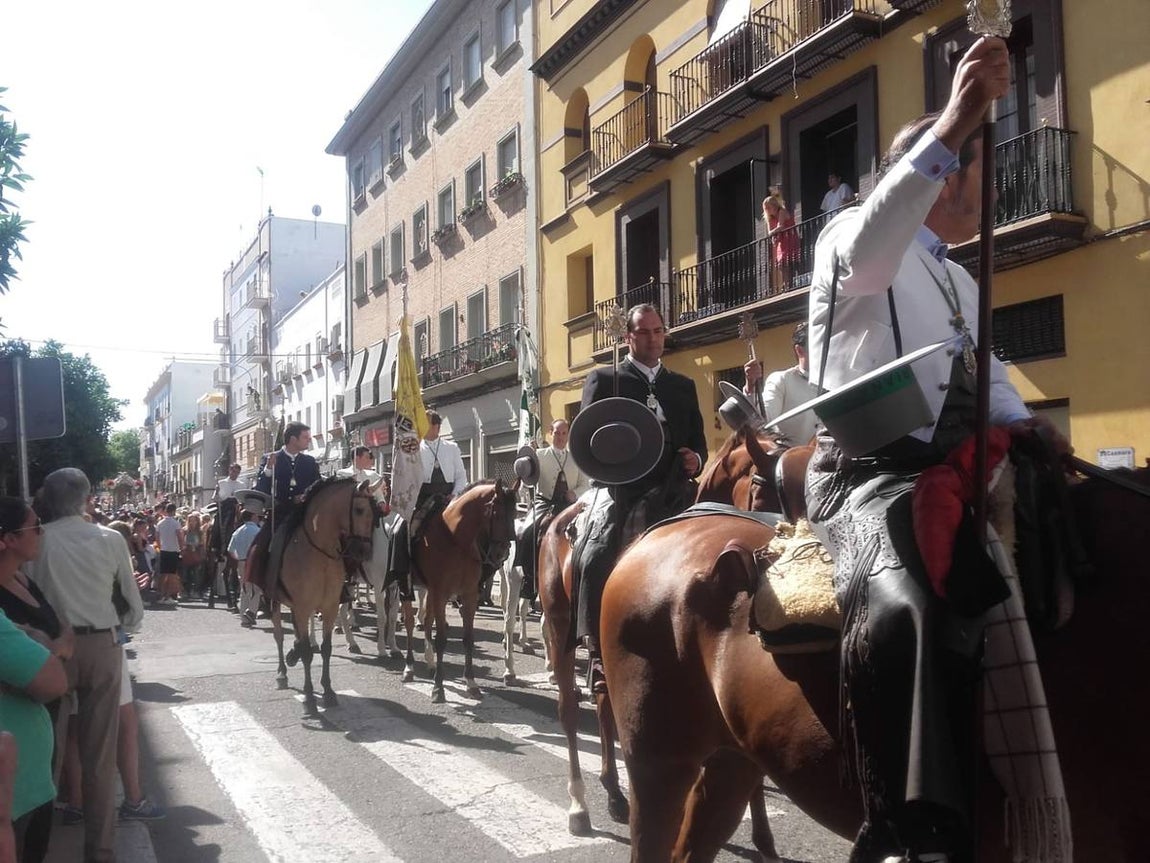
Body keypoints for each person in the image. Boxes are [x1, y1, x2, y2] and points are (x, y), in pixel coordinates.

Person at [804, 37, 1071, 863]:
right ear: (941, 176)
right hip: (868, 472)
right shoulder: (851, 237)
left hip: (959, 462)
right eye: (977, 166)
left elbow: (986, 378)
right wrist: (956, 120)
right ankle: (909, 832)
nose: (989, 187)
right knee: (911, 604)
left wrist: (1034, 428)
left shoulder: (961, 279)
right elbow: (881, 236)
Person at [576, 303, 707, 691]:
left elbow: (698, 441)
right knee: (595, 550)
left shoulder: (683, 386)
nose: (653, 339)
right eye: (644, 332)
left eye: (658, 331)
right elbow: (586, 444)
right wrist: (613, 457)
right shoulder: (605, 380)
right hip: (621, 486)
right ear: (628, 337)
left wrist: (695, 459)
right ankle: (597, 650)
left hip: (674, 487)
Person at [23, 468, 144, 863]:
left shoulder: (38, 542)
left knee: (47, 754)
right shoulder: (109, 539)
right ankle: (100, 850)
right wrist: (118, 629)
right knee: (100, 754)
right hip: (101, 644)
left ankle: (34, 846)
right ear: (87, 498)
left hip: (49, 648)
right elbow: (133, 604)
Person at [0, 499, 70, 863]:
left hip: (34, 760)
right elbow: (52, 678)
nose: (41, 532)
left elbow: (62, 630)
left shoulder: (23, 578)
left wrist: (44, 643)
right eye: (35, 526)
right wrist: (50, 648)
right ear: (7, 539)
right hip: (15, 779)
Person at [386, 410, 468, 600]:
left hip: (449, 499)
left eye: (425, 423)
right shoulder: (414, 448)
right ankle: (402, 575)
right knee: (401, 531)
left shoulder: (452, 447)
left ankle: (471, 582)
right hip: (423, 499)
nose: (420, 426)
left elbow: (461, 476)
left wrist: (455, 496)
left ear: (436, 426)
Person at [246, 422, 321, 596]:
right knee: (259, 547)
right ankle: (256, 587)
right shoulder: (270, 458)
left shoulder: (309, 461)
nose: (308, 440)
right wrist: (269, 470)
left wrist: (306, 496)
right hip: (280, 513)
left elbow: (317, 485)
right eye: (305, 437)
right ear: (293, 439)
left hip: (304, 513)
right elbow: (261, 489)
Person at [743, 322, 820, 446]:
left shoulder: (834, 382)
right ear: (800, 350)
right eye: (817, 346)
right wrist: (750, 386)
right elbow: (763, 420)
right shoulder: (782, 380)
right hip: (792, 461)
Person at [228, 511, 262, 627]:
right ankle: (251, 612)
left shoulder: (237, 532)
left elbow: (230, 550)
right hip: (255, 562)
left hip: (242, 561)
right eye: (257, 515)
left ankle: (244, 616)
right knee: (256, 588)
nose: (258, 517)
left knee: (244, 588)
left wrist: (239, 558)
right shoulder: (258, 531)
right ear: (252, 516)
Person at [762, 194, 800, 290]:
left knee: (789, 261)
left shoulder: (781, 211)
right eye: (765, 208)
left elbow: (781, 226)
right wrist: (773, 238)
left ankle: (789, 284)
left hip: (789, 238)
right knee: (781, 264)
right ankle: (786, 284)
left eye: (768, 207)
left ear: (773, 205)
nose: (767, 210)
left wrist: (773, 234)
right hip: (781, 242)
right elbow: (770, 231)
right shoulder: (769, 218)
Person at [153, 503, 184, 606]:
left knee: (163, 574)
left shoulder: (160, 523)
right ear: (174, 511)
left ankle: (160, 595)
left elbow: (157, 538)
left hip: (163, 550)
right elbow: (179, 537)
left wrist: (160, 546)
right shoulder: (176, 523)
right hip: (173, 550)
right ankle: (167, 596)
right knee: (171, 574)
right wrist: (182, 548)